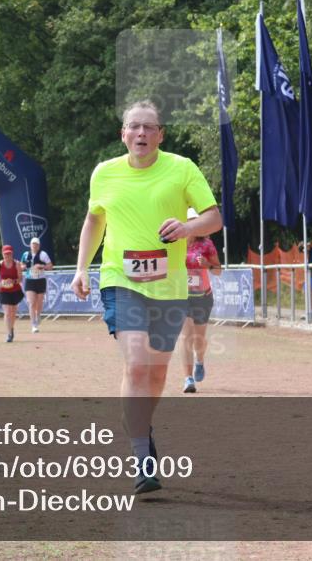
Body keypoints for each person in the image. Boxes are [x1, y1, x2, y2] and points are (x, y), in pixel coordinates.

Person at [71, 100, 222, 494]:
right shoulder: (104, 174)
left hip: (170, 287)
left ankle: (141, 426)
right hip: (121, 279)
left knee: (156, 374)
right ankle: (142, 459)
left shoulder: (181, 168)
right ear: (123, 134)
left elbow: (214, 217)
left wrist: (188, 227)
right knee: (137, 363)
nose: (141, 133)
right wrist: (81, 268)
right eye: (134, 127)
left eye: (149, 127)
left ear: (160, 135)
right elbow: (94, 220)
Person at [179, 208, 221, 393]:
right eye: (189, 221)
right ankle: (188, 379)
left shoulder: (207, 245)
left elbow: (218, 270)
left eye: (196, 221)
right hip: (182, 297)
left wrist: (207, 264)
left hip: (203, 297)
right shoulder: (175, 244)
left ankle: (200, 360)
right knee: (186, 336)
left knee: (199, 338)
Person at [0, 245, 23, 343]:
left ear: (12, 254)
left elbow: (20, 278)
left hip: (15, 290)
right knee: (7, 312)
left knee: (13, 312)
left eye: (9, 254)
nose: (7, 256)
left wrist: (13, 281)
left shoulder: (17, 264)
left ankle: (11, 328)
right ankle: (9, 333)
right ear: (2, 254)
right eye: (5, 254)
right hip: (4, 290)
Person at [20, 237, 53, 332]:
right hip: (30, 280)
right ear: (30, 245)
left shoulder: (43, 255)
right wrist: (24, 267)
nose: (34, 246)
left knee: (39, 302)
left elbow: (50, 266)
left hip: (40, 280)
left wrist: (41, 266)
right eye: (33, 244)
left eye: (36, 244)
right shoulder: (25, 255)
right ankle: (33, 325)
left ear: (39, 246)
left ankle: (38, 315)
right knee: (31, 302)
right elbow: (21, 265)